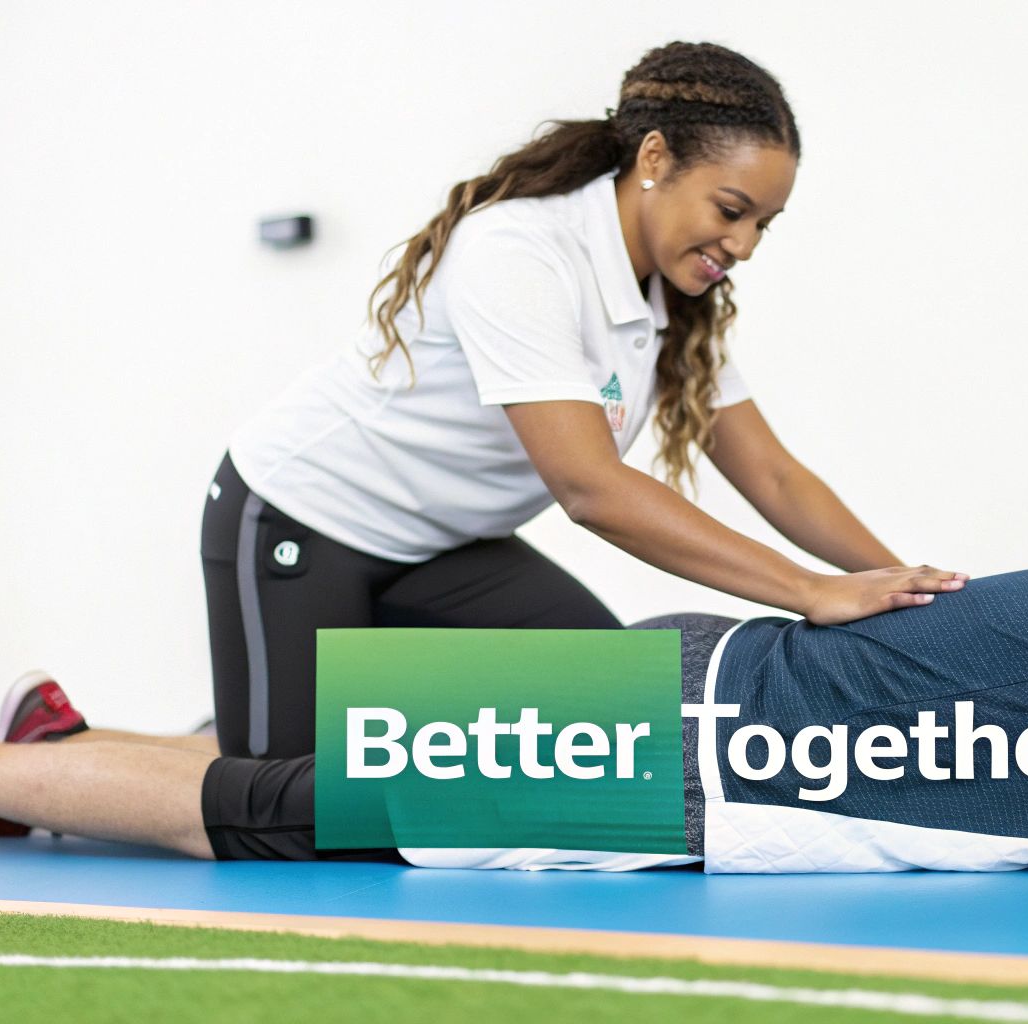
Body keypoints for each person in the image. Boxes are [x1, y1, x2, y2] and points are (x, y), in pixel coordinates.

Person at [0, 517, 1028, 894]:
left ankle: (43, 749)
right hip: (655, 747)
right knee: (266, 815)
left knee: (296, 778)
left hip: (688, 710)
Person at [204, 39, 966, 762]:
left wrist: (915, 591)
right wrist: (809, 590)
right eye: (731, 211)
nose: (745, 246)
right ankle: (158, 759)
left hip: (446, 545)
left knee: (613, 722)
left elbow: (774, 475)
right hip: (304, 516)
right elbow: (589, 487)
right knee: (292, 802)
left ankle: (231, 739)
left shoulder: (673, 302)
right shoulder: (521, 251)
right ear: (655, 158)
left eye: (763, 225)